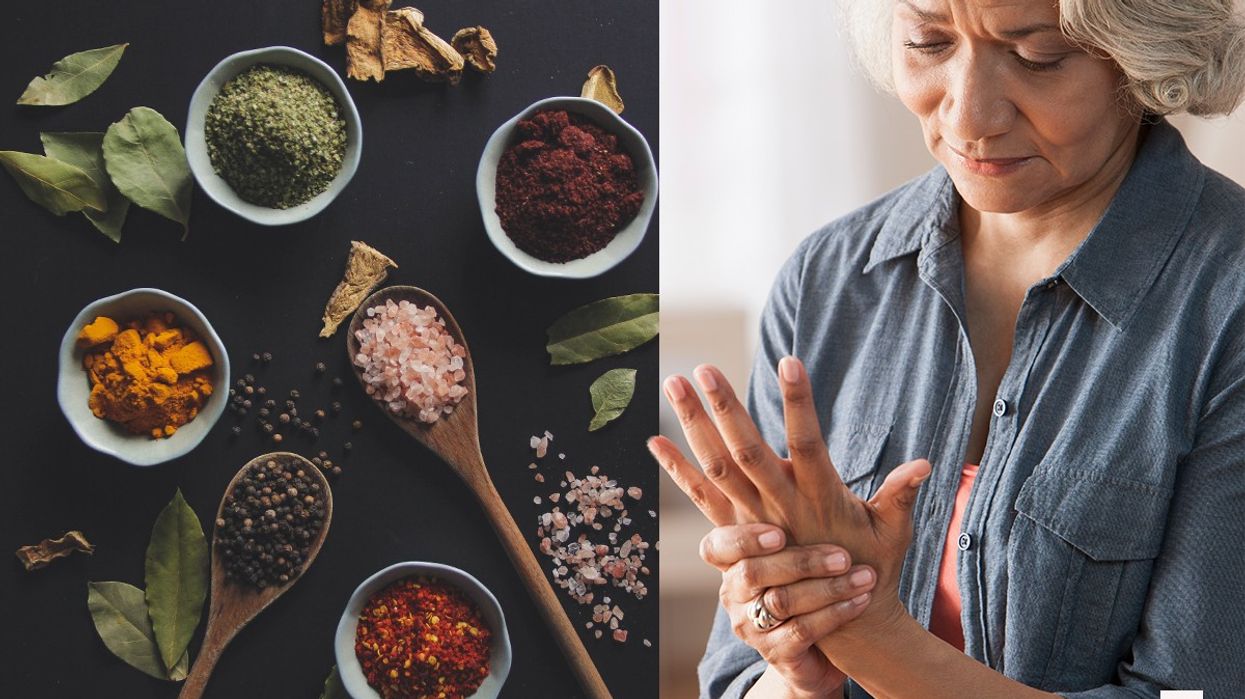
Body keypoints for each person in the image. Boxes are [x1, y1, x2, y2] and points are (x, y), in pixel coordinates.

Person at [649, 0, 1245, 697]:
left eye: (1037, 58)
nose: (966, 117)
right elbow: (738, 677)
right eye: (927, 43)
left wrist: (868, 639)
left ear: (1142, 58)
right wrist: (794, 666)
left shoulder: (1224, 303)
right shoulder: (830, 277)